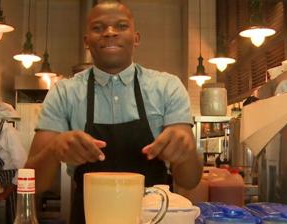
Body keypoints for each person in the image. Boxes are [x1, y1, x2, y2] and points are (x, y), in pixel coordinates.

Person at [25, 1, 202, 223]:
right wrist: (54, 148)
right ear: (86, 41)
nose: (109, 33)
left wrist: (186, 150)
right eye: (98, 28)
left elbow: (190, 180)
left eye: (120, 26)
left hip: (153, 217)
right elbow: (31, 184)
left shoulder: (167, 87)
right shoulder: (63, 92)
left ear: (136, 38)